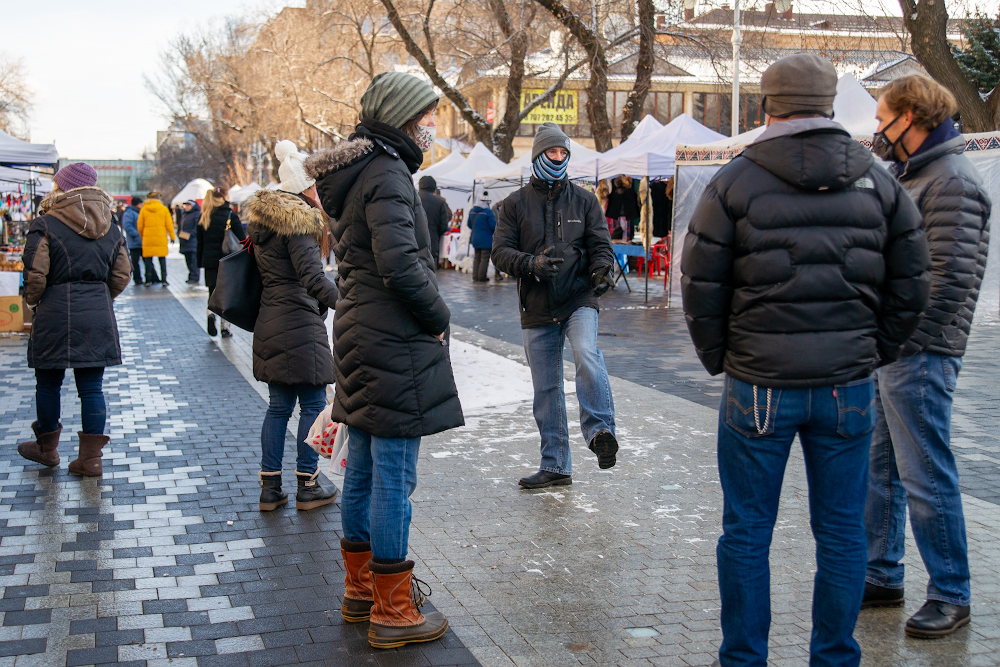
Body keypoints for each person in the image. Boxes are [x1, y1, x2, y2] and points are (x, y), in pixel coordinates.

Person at [680, 54, 932, 667]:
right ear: (827, 106)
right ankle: (835, 656)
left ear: (768, 105)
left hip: (759, 381)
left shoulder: (735, 180)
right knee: (843, 533)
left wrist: (724, 359)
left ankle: (742, 658)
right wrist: (876, 351)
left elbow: (701, 281)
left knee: (746, 531)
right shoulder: (878, 179)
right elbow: (913, 281)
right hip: (847, 384)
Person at [306, 71, 462, 649]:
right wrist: (438, 317)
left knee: (366, 470)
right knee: (392, 476)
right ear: (400, 116)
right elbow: (401, 265)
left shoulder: (356, 173)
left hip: (358, 330)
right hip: (391, 337)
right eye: (423, 115)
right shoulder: (389, 173)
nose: (429, 126)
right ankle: (394, 612)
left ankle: (360, 591)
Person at [862, 74, 991, 637]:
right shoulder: (911, 176)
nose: (877, 132)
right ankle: (882, 574)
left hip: (920, 351)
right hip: (894, 348)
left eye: (883, 119)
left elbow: (948, 281)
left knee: (926, 475)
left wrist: (897, 338)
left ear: (910, 118)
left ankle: (951, 593)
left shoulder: (952, 183)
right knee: (882, 470)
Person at [492, 122, 618, 490]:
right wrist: (530, 264)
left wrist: (602, 271)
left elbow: (601, 245)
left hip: (579, 297)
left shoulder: (585, 200)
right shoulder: (514, 204)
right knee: (546, 390)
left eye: (564, 152)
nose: (559, 158)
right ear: (538, 155)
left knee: (586, 351)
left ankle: (601, 433)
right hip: (536, 304)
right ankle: (556, 465)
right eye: (553, 152)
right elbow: (501, 251)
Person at [243, 140, 339, 514]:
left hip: (270, 320)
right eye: (316, 185)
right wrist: (348, 303)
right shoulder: (299, 224)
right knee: (313, 406)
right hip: (300, 324)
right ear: (305, 187)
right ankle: (308, 485)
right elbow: (313, 279)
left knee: (278, 407)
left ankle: (270, 489)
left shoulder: (264, 224)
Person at [17, 162, 131, 477]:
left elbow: (35, 274)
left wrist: (34, 302)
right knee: (92, 387)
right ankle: (91, 459)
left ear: (63, 187)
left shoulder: (47, 222)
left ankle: (46, 449)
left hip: (54, 312)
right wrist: (99, 296)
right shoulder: (111, 225)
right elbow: (122, 274)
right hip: (97, 313)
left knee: (49, 383)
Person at [196, 187, 245, 337]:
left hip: (210, 263)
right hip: (228, 261)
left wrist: (200, 263)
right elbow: (242, 239)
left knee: (213, 293)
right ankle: (225, 327)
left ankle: (211, 314)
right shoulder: (230, 215)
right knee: (227, 295)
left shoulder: (204, 216)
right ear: (224, 198)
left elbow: (200, 244)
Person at [137, 191, 175, 286]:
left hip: (148, 238)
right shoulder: (164, 209)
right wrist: (172, 237)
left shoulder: (144, 209)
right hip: (161, 238)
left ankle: (148, 280)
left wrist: (143, 235)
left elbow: (139, 226)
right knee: (162, 260)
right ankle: (164, 280)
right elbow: (169, 225)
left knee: (148, 261)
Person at [417, 175, 451, 268]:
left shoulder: (411, 198)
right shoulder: (439, 202)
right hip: (431, 240)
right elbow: (443, 224)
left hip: (412, 240)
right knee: (429, 272)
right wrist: (436, 233)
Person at [468, 191, 497, 282]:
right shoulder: (488, 212)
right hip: (486, 239)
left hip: (475, 238)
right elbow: (494, 226)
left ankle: (475, 276)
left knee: (476, 257)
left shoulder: (472, 211)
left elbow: (469, 224)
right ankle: (481, 276)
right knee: (484, 258)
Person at [122, 196, 143, 285]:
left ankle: (152, 278)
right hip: (134, 242)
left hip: (141, 242)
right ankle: (137, 279)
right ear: (138, 204)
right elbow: (127, 227)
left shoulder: (138, 212)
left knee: (147, 261)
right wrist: (138, 234)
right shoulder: (129, 213)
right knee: (135, 262)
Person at [178, 200, 201, 284]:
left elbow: (197, 227)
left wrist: (190, 235)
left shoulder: (196, 215)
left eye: (189, 205)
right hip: (184, 242)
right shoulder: (184, 215)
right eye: (186, 205)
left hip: (193, 241)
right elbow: (180, 227)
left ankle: (195, 276)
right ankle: (191, 275)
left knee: (193, 260)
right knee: (188, 260)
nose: (187, 207)